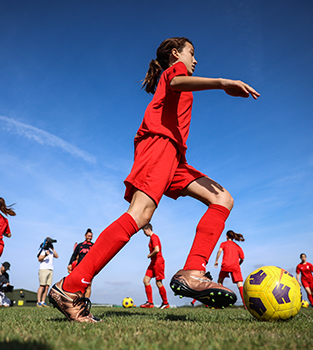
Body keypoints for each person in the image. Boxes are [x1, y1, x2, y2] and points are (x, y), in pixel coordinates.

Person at [48, 37, 259, 322]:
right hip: (159, 144)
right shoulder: (174, 72)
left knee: (222, 198)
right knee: (140, 214)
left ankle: (193, 271)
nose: (195, 60)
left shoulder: (180, 74)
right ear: (176, 54)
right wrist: (223, 82)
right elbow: (176, 83)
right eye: (191, 54)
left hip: (175, 157)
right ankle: (69, 287)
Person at [138, 224, 170, 309]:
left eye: (144, 231)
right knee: (146, 280)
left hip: (158, 262)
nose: (144, 234)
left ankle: (166, 303)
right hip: (153, 262)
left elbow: (157, 250)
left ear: (148, 229)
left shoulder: (154, 237)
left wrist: (150, 255)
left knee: (158, 282)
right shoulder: (151, 238)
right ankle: (150, 303)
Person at [213, 230, 246, 306]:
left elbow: (220, 251)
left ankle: (219, 303)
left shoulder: (223, 244)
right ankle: (245, 304)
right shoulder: (237, 246)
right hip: (235, 266)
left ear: (226, 236)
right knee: (240, 284)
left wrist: (216, 261)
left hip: (226, 265)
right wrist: (238, 264)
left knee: (220, 283)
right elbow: (243, 258)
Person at [67, 229, 94, 298]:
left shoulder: (94, 246)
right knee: (78, 285)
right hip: (80, 267)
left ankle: (86, 302)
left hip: (89, 268)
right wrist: (70, 264)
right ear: (85, 236)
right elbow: (74, 255)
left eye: (91, 236)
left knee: (88, 285)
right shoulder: (80, 245)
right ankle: (78, 300)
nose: (89, 238)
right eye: (88, 236)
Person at [37, 237, 58, 307]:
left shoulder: (51, 251)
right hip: (43, 269)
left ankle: (43, 301)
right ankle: (38, 302)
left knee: (47, 287)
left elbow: (57, 256)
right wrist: (45, 255)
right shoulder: (42, 249)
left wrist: (53, 249)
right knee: (42, 286)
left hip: (50, 269)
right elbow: (39, 258)